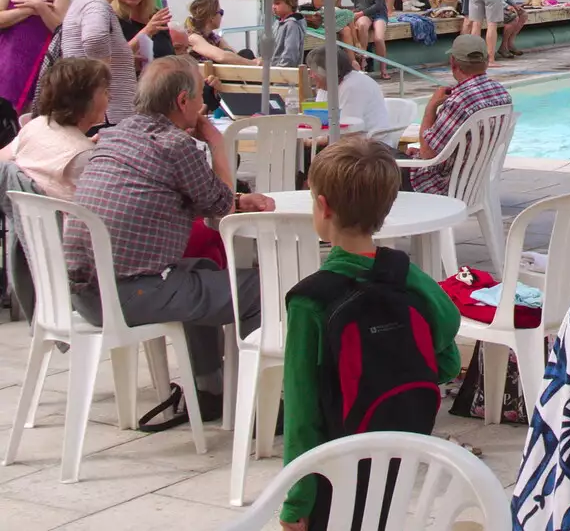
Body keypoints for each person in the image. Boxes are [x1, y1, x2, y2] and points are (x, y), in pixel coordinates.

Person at [65, 56, 275, 415]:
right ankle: (264, 407)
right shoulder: (175, 146)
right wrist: (216, 143)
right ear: (182, 101)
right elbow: (220, 206)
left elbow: (173, 195)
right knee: (262, 288)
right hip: (128, 293)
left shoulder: (116, 136)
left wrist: (238, 198)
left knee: (206, 269)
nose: (203, 104)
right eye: (198, 97)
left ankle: (209, 391)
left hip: (85, 293)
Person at [278, 138, 461, 531]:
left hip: (334, 466)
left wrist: (297, 502)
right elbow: (447, 352)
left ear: (323, 207)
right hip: (401, 453)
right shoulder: (406, 276)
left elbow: (301, 414)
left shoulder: (311, 300)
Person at [411, 34, 511, 196]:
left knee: (371, 165)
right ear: (486, 62)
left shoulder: (459, 101)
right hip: (475, 181)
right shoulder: (502, 93)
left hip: (441, 184)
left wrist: (431, 106)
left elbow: (427, 153)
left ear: (453, 62)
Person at [60, 0, 141, 125]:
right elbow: (95, 39)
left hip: (98, 114)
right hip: (103, 117)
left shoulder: (88, 1)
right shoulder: (96, 4)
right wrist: (104, 78)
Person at [0, 57, 110, 197]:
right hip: (64, 217)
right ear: (84, 100)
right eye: (105, 92)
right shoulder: (84, 156)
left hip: (22, 216)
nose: (109, 97)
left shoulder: (38, 124)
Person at [0, 0, 70, 111]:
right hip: (8, 56)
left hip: (41, 56)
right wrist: (29, 9)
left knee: (35, 108)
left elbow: (59, 28)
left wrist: (40, 6)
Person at [308, 46, 388, 142]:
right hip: (345, 144)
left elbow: (349, 131)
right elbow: (320, 122)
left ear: (326, 72)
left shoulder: (354, 86)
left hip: (370, 147)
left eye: (313, 71)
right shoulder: (326, 87)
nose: (311, 75)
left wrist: (311, 142)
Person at [113, 0, 178, 69]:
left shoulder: (155, 16)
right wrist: (147, 31)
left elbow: (170, 57)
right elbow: (111, 60)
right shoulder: (111, 18)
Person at [343, 0, 391, 77]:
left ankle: (383, 68)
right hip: (363, 12)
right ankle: (363, 58)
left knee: (378, 38)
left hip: (377, 12)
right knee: (363, 25)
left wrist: (361, 13)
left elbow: (379, 4)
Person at [185, 0, 257, 66]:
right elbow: (221, 57)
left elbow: (235, 55)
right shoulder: (193, 37)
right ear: (211, 17)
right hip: (203, 75)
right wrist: (254, 63)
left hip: (215, 73)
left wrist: (257, 61)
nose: (221, 16)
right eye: (221, 12)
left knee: (246, 53)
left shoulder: (214, 38)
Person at [270, 0, 306, 68]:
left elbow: (291, 52)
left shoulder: (292, 25)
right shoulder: (278, 22)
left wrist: (280, 68)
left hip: (284, 73)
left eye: (277, 3)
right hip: (273, 69)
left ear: (290, 3)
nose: (273, 7)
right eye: (273, 4)